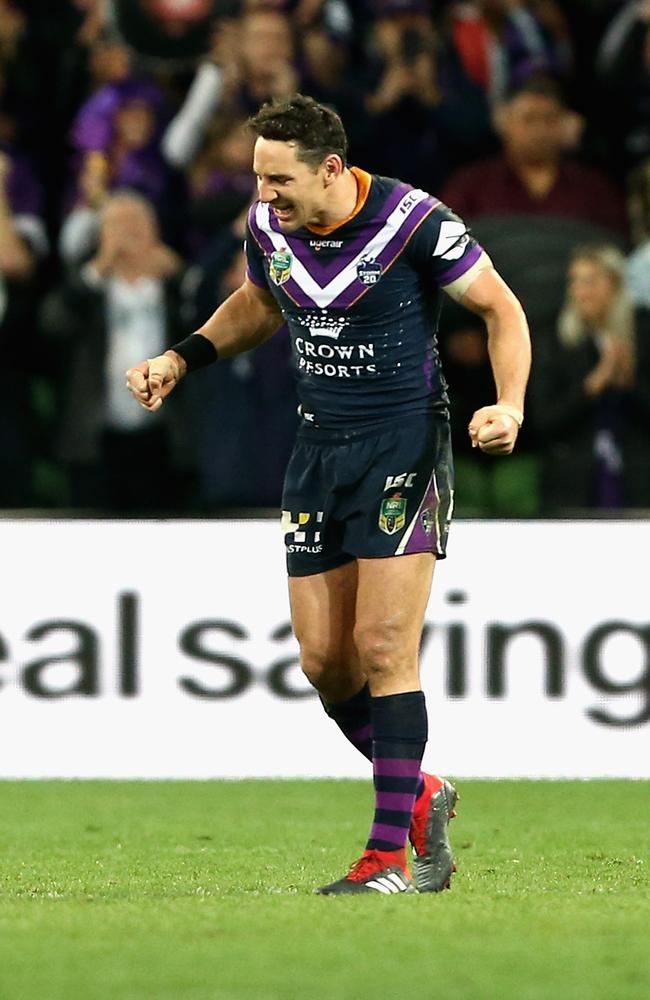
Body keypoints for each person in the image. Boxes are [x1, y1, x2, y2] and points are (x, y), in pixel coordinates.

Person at [126, 94, 531, 895]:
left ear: (333, 171)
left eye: (277, 179)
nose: (262, 194)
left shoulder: (414, 220)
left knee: (384, 648)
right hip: (317, 452)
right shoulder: (272, 227)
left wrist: (509, 402)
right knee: (324, 665)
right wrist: (181, 358)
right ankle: (420, 792)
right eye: (257, 177)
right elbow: (260, 302)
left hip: (403, 446)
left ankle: (387, 859)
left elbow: (500, 307)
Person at [530, 243, 650, 512]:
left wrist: (631, 384)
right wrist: (592, 386)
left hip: (637, 473)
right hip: (572, 479)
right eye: (574, 281)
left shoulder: (643, 332)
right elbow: (544, 420)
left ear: (616, 284)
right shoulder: (554, 338)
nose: (579, 292)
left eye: (590, 282)